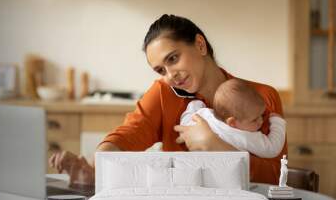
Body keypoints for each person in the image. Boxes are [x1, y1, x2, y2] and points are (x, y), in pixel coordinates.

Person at [49, 14, 288, 188]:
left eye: (173, 58)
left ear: (200, 45)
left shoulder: (262, 96)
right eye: (160, 70)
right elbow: (127, 135)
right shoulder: (164, 93)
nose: (169, 75)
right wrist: (94, 168)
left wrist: (213, 146)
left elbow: (277, 177)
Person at [180, 78, 286, 158]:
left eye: (261, 115)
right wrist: (278, 122)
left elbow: (184, 124)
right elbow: (273, 148)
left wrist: (194, 105)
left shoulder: (206, 115)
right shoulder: (245, 137)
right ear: (232, 122)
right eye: (254, 119)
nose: (261, 121)